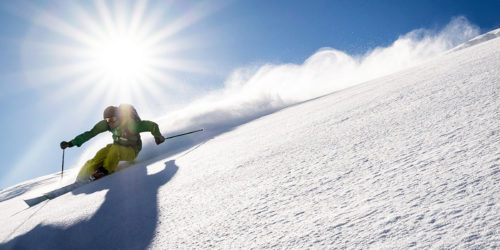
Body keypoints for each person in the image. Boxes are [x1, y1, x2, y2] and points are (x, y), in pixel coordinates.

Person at [60, 104, 166, 181]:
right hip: (117, 145)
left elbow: (152, 125)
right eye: (108, 120)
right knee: (102, 153)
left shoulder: (130, 124)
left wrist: (158, 136)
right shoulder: (106, 124)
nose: (110, 122)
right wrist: (71, 143)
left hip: (132, 150)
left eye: (113, 119)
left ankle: (104, 170)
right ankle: (83, 175)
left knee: (115, 150)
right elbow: (90, 133)